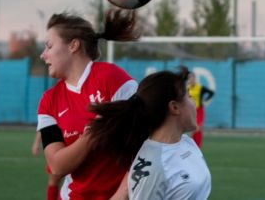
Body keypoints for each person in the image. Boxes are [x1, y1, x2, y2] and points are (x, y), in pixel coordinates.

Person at [37, 8, 139, 199]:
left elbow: (144, 146)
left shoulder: (113, 79)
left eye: (49, 46)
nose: (43, 55)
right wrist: (93, 132)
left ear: (73, 45)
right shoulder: (48, 101)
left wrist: (120, 195)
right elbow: (57, 165)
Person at [87, 67, 212, 200]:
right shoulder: (154, 167)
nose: (194, 102)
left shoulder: (186, 141)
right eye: (189, 96)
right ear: (174, 107)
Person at [31, 132, 63, 200]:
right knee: (54, 179)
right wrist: (36, 143)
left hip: (76, 141)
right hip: (58, 142)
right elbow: (44, 124)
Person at [187, 71, 214, 148]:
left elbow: (211, 93)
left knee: (198, 127)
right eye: (189, 78)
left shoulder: (200, 87)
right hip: (191, 111)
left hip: (199, 110)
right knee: (193, 127)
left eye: (192, 77)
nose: (190, 79)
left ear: (195, 78)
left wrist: (205, 100)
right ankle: (194, 145)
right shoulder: (187, 88)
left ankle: (197, 145)